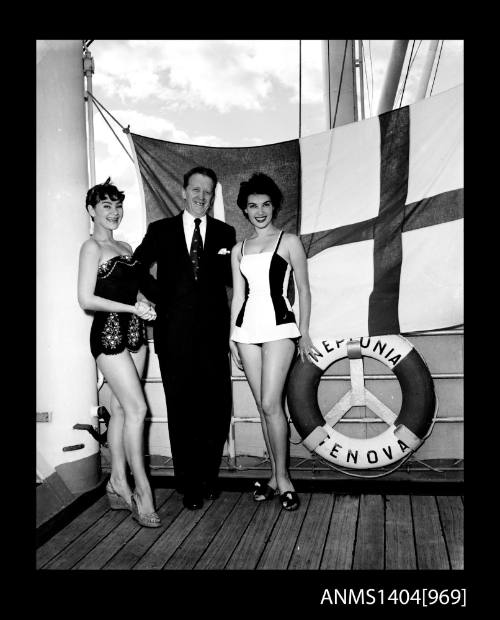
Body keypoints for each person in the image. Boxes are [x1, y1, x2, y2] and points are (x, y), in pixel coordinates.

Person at [133, 166, 236, 510]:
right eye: (196, 189)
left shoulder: (225, 233)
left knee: (217, 409)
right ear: (183, 191)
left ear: (213, 195)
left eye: (208, 191)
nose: (201, 197)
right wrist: (159, 296)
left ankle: (209, 476)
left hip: (213, 335)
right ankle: (189, 484)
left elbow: (236, 280)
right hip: (173, 334)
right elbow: (136, 266)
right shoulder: (160, 230)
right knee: (182, 411)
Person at [230, 172, 319, 511]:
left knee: (271, 404)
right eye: (253, 206)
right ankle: (274, 477)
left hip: (281, 329)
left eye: (266, 204)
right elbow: (238, 297)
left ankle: (284, 479)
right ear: (245, 210)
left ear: (275, 206)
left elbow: (305, 290)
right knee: (263, 408)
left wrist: (304, 331)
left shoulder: (290, 241)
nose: (260, 211)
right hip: (246, 333)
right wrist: (231, 340)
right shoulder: (238, 249)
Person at [77, 178, 161, 528]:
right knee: (138, 407)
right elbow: (86, 299)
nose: (113, 212)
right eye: (106, 206)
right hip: (108, 337)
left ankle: (116, 483)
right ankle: (142, 491)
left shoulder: (126, 246)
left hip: (135, 335)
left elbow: (131, 292)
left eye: (117, 205)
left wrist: (144, 305)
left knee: (122, 411)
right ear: (91, 210)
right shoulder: (91, 247)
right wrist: (131, 308)